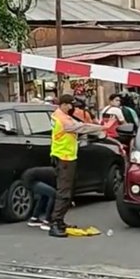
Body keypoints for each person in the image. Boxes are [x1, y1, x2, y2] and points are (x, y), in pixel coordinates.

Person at [49, 94, 105, 238]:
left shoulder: (60, 115)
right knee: (64, 192)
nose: (72, 107)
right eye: (70, 104)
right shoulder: (63, 119)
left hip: (64, 156)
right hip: (64, 158)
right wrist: (101, 127)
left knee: (67, 191)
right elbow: (81, 127)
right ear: (63, 104)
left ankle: (59, 222)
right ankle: (55, 223)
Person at [22, 166, 56, 231]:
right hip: (31, 180)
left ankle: (34, 219)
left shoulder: (53, 172)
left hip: (27, 177)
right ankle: (47, 221)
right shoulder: (56, 176)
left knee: (45, 195)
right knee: (53, 194)